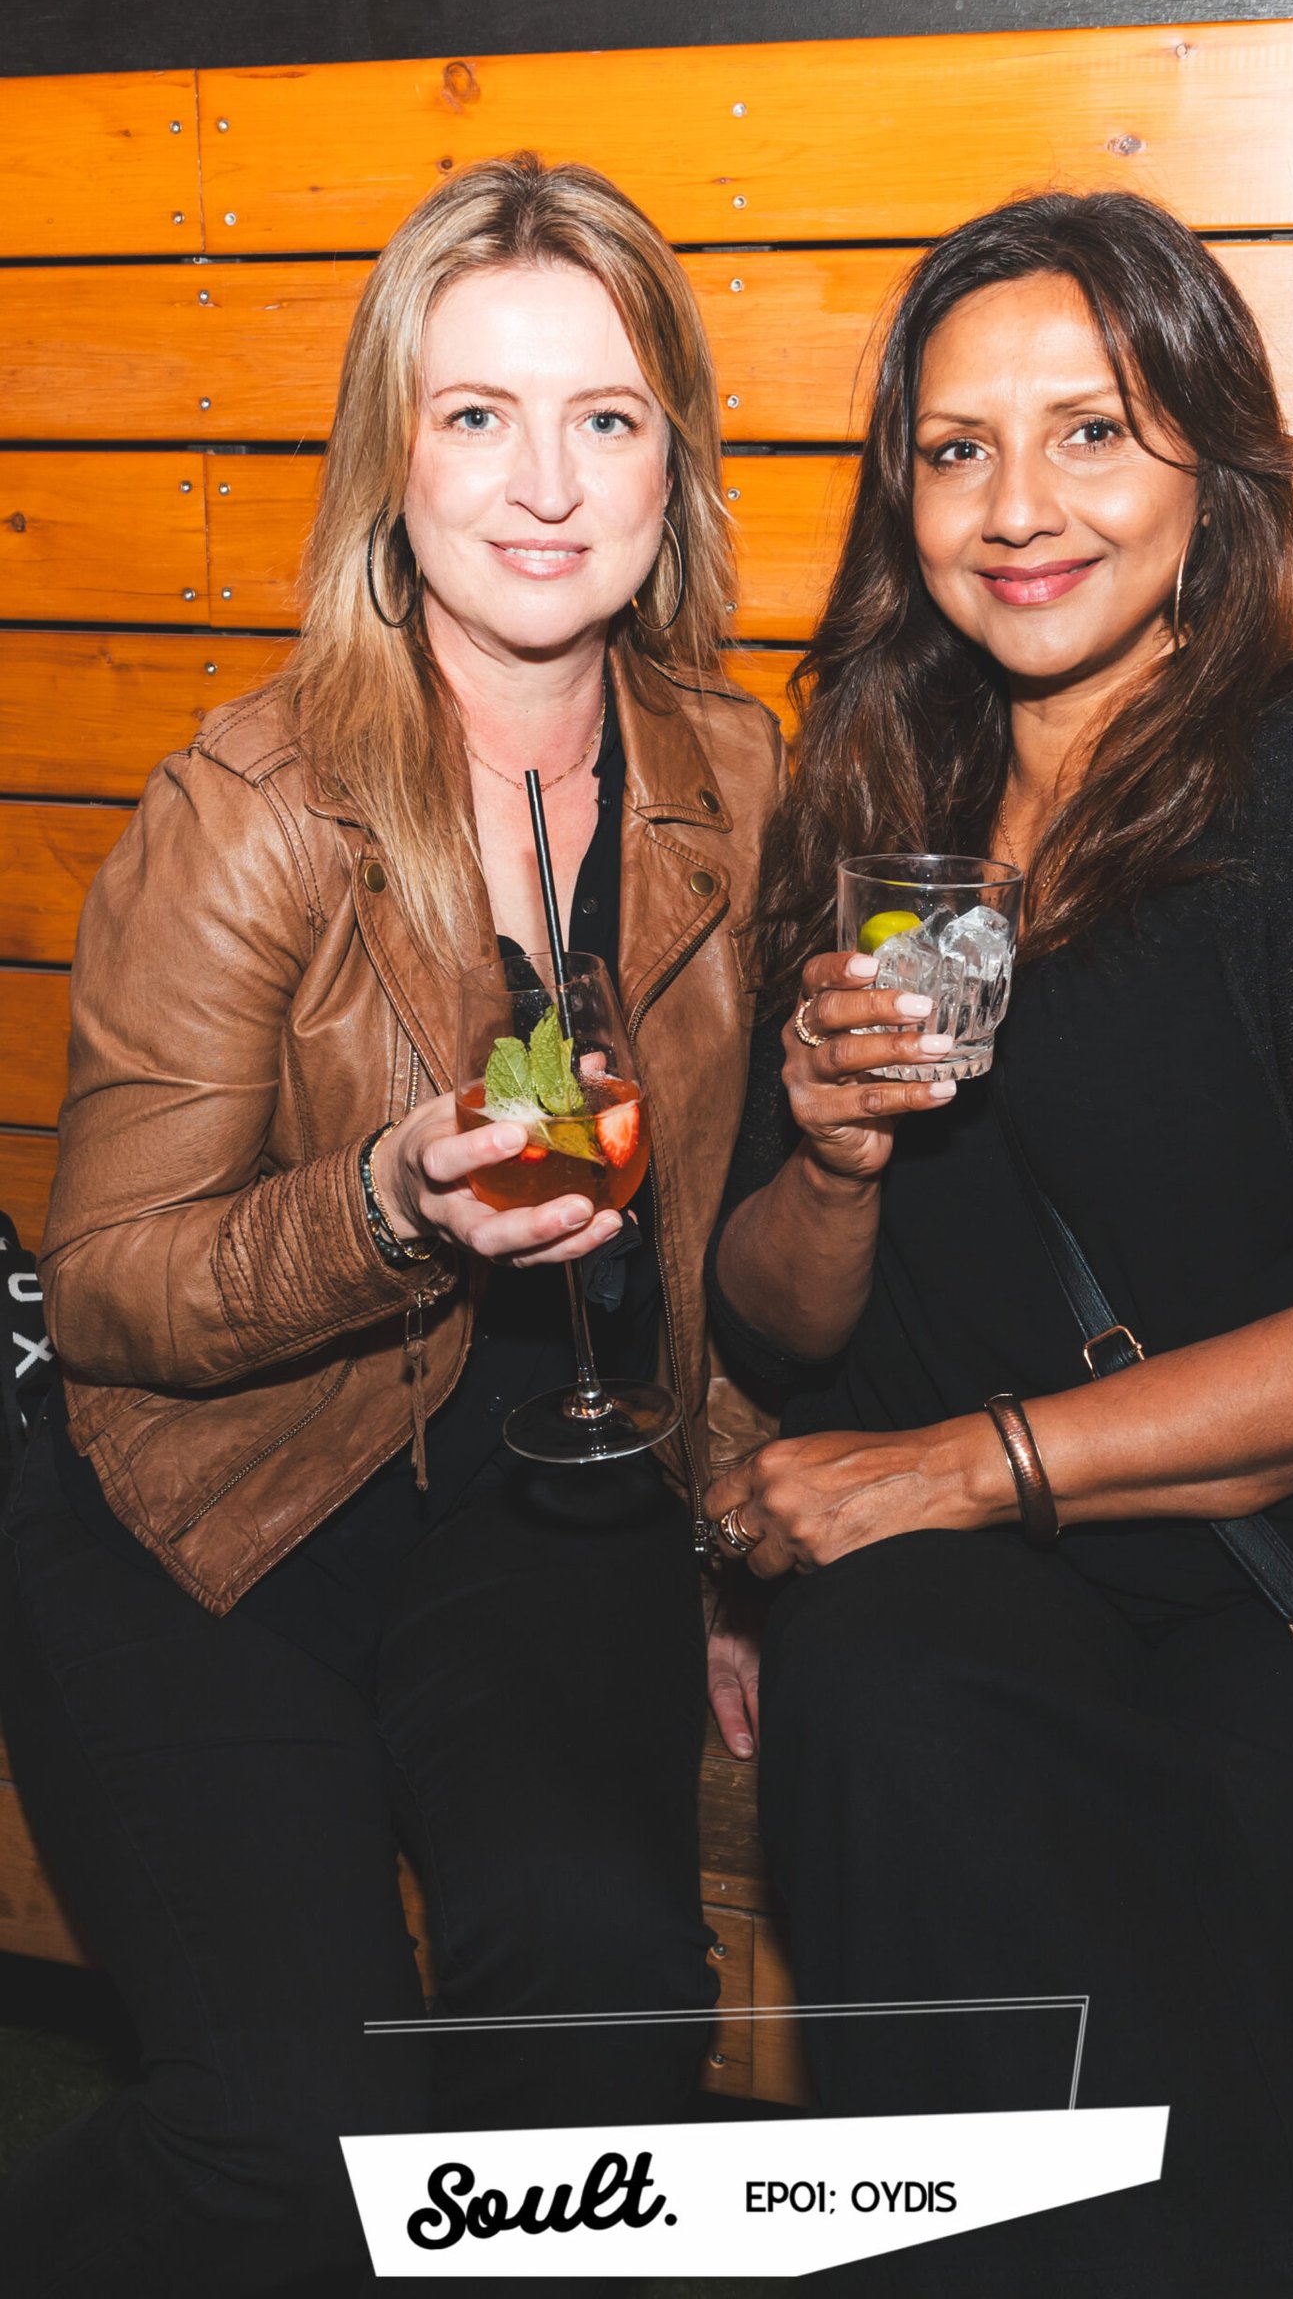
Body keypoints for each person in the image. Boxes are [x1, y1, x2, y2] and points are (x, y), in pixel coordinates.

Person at [700, 191, 1293, 2298]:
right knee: (875, 1688)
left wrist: (951, 1469)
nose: (1017, 506)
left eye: (1088, 431)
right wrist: (832, 1157)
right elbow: (776, 1319)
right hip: (1028, 1587)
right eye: (957, 448)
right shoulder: (868, 818)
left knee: (1071, 1937)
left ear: (1209, 462)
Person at [0, 152, 784, 2297]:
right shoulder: (252, 803)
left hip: (534, 1487)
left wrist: (735, 1552)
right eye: (476, 414)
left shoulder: (736, 776)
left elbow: (719, 1229)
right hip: (208, 1501)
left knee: (604, 2009)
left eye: (604, 417)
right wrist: (385, 1206)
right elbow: (110, 1291)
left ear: (672, 466)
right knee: (286, 2143)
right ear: (392, 461)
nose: (544, 484)